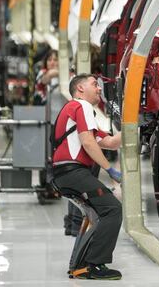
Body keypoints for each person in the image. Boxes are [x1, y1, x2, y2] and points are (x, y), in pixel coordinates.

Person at [52, 73, 123, 280]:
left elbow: (110, 142)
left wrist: (136, 127)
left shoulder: (81, 113)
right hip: (73, 172)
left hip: (64, 174)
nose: (99, 88)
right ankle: (94, 265)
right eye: (94, 84)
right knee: (112, 208)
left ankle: (79, 265)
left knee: (94, 214)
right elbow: (88, 142)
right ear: (80, 89)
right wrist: (110, 170)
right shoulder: (80, 106)